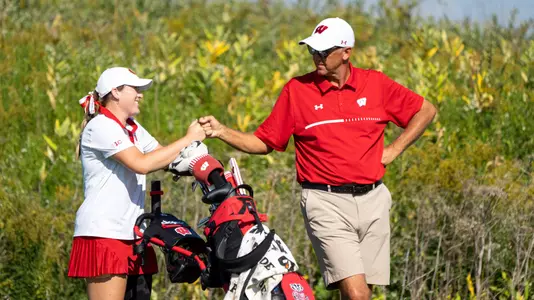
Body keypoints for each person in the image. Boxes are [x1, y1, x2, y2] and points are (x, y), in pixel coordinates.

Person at [198, 17, 437, 300]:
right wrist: (222, 131)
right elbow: (265, 142)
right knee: (358, 294)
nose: (316, 57)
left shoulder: (376, 84)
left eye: (324, 51)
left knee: (361, 293)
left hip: (374, 200)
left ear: (346, 51)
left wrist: (395, 149)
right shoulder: (297, 91)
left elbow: (426, 110)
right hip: (325, 202)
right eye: (313, 51)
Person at [68, 67, 205, 300]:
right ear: (116, 93)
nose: (140, 94)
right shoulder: (101, 126)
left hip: (133, 233)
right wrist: (188, 138)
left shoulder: (132, 127)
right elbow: (140, 164)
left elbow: (164, 157)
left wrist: (202, 162)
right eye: (135, 89)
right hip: (104, 233)